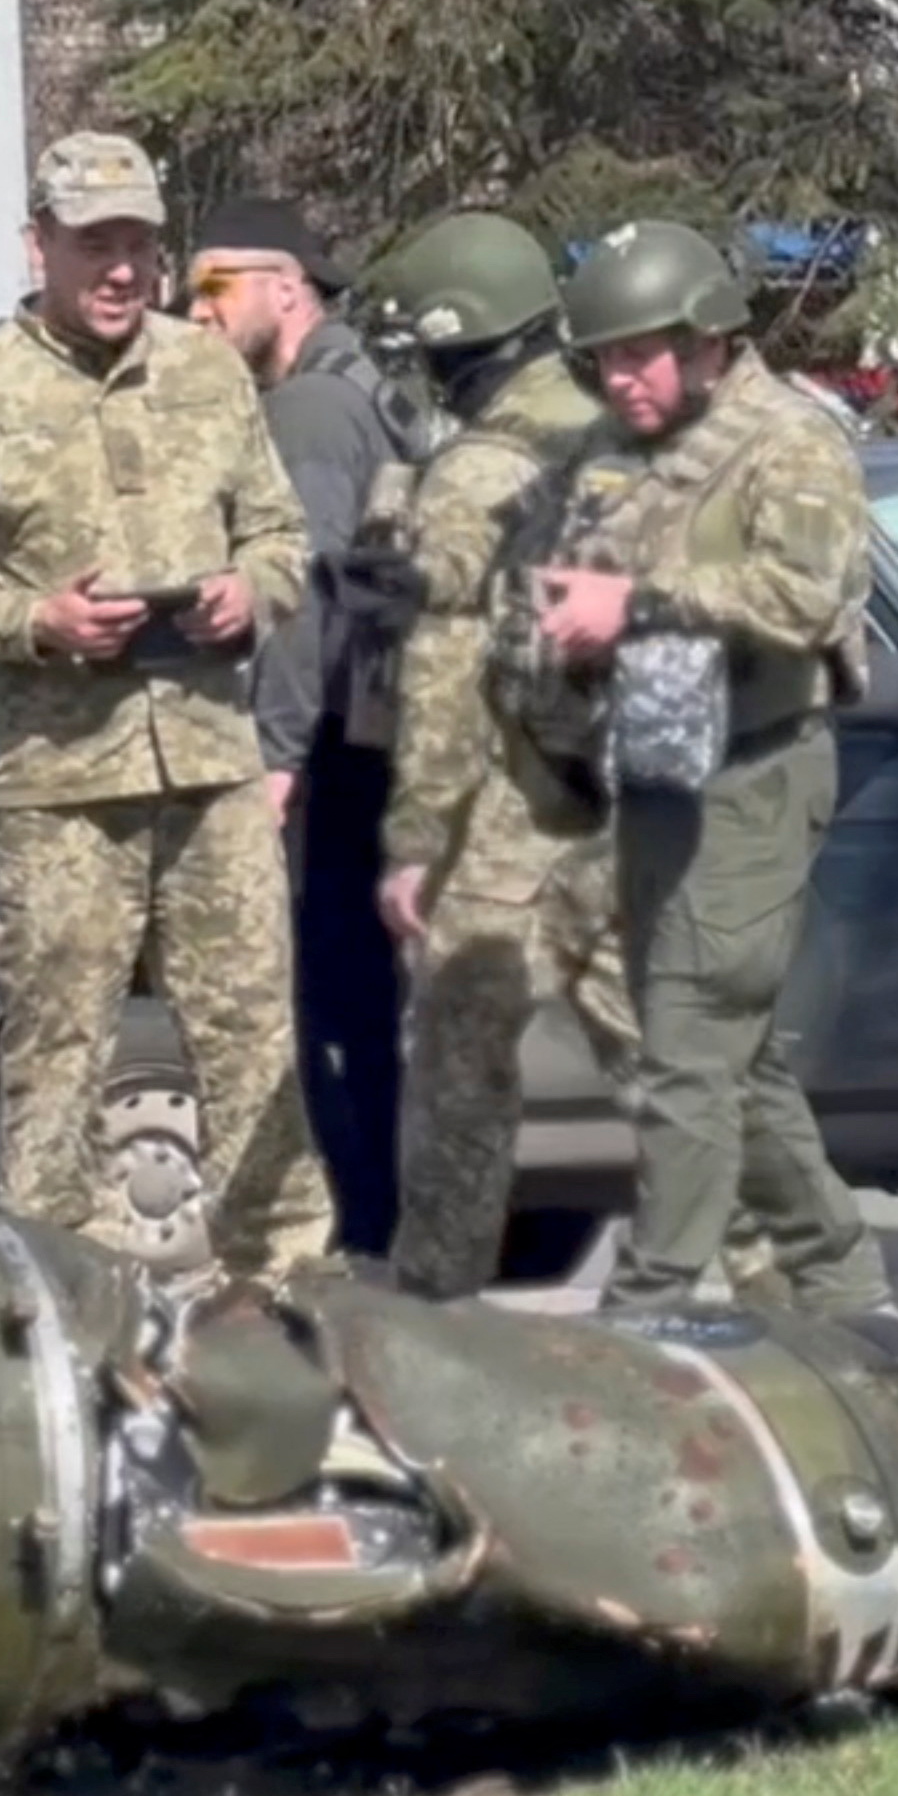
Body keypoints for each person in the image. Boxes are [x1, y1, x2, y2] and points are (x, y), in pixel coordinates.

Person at [0, 130, 332, 1277]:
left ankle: (286, 1296)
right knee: (57, 1058)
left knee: (252, 1042)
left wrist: (252, 590)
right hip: (63, 788)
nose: (122, 269)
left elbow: (280, 533)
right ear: (41, 245)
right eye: (95, 245)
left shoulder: (208, 371)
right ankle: (64, 1306)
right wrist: (39, 620)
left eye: (139, 243)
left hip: (209, 768)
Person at [543, 221, 891, 1324]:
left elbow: (803, 598)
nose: (617, 377)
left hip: (756, 775)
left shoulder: (788, 442)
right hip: (652, 767)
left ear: (706, 340)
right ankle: (838, 1280)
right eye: (601, 358)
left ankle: (644, 1306)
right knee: (726, 1055)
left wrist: (635, 601)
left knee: (690, 1046)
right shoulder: (619, 446)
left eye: (638, 352)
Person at [361, 211, 631, 1299]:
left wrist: (417, 834)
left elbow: (439, 664)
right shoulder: (622, 431)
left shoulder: (473, 472)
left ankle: (435, 1300)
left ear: (450, 347)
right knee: (670, 1058)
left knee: (460, 1065)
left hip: (513, 803)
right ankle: (769, 1287)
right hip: (637, 790)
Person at [187, 195, 416, 1262]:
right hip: (368, 743)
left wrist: (276, 754)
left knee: (333, 1022)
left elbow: (304, 594)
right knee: (357, 1019)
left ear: (286, 288)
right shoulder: (355, 389)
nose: (195, 310)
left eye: (213, 286)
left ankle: (363, 1251)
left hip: (337, 757)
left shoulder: (310, 411)